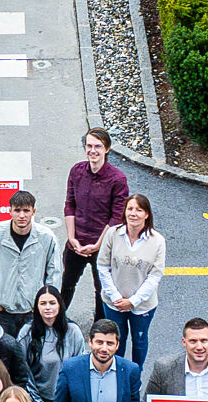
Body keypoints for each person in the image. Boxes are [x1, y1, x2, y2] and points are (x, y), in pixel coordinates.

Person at [62, 127, 129, 321]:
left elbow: (116, 217)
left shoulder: (117, 179)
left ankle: (100, 326)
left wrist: (98, 245)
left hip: (103, 246)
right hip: (77, 243)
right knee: (67, 283)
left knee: (102, 289)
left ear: (107, 149)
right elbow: (70, 205)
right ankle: (56, 322)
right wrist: (72, 238)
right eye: (89, 146)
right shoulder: (77, 171)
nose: (93, 150)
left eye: (98, 146)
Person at [0, 190, 63, 337]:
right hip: (3, 309)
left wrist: (46, 303)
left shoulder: (47, 237)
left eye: (26, 210)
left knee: (32, 353)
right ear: (9, 210)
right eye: (17, 210)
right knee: (4, 354)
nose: (22, 215)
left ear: (33, 211)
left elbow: (54, 273)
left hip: (33, 310)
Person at [96, 194, 166, 368]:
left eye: (139, 210)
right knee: (115, 341)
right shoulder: (113, 234)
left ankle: (136, 375)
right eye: (130, 209)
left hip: (143, 305)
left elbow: (155, 276)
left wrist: (133, 301)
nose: (133, 214)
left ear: (147, 214)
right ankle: (116, 372)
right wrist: (116, 297)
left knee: (140, 340)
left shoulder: (157, 241)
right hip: (114, 303)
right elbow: (103, 267)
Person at [18, 285, 87, 402]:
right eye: (43, 303)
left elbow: (80, 369)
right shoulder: (26, 332)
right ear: (36, 307)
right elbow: (22, 371)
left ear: (60, 305)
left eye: (52, 303)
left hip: (66, 400)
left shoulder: (73, 331)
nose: (48, 307)